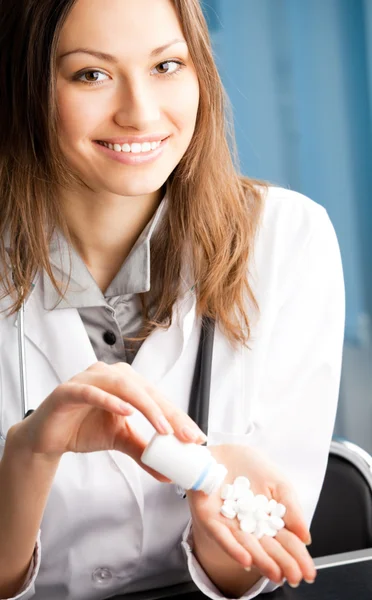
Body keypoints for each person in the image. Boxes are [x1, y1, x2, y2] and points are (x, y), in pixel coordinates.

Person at [0, 0, 345, 599]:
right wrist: (29, 457)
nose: (141, 113)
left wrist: (225, 509)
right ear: (21, 84)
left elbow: (253, 568)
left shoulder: (288, 238)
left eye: (166, 66)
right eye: (91, 74)